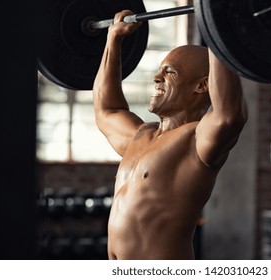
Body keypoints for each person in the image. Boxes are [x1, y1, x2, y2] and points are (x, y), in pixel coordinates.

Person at [93, 10, 248, 260]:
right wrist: (113, 38)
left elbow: (229, 115)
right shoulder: (141, 136)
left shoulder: (196, 142)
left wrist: (216, 24)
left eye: (170, 72)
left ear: (202, 85)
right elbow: (106, 110)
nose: (156, 78)